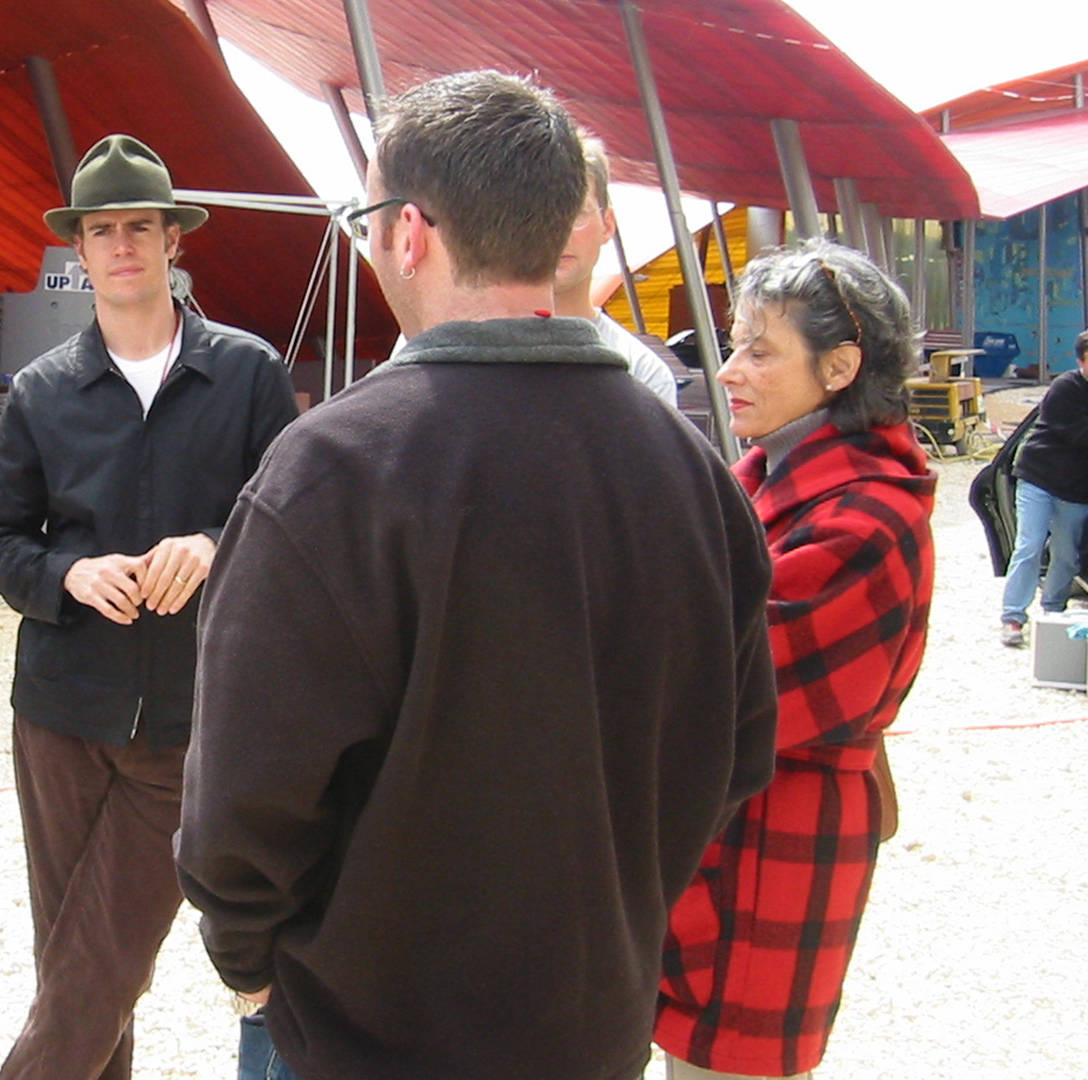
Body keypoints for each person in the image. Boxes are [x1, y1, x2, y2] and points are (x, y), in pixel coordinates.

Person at [174, 71, 779, 1080]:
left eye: (370, 220)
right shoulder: (691, 470)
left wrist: (249, 961)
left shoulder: (335, 469)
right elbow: (736, 752)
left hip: (371, 1036)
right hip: (593, 1023)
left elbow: (245, 793)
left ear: (409, 232)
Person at [0, 133, 301, 1080]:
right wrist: (67, 576)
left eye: (140, 228)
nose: (122, 246)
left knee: (98, 963)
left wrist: (214, 545)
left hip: (187, 719)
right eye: (104, 230)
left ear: (172, 242)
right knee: (78, 967)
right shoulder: (42, 390)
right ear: (80, 248)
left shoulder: (247, 374)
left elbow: (295, 526)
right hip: (59, 714)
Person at [656, 240, 937, 1079]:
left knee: (729, 1064)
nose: (729, 370)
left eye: (760, 350)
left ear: (840, 367)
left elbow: (727, 683)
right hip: (723, 823)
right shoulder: (767, 475)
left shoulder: (869, 518)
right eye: (733, 344)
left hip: (777, 834)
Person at [554, 135, 679, 405]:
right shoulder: (477, 349)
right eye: (542, 214)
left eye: (576, 212)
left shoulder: (643, 374)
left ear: (607, 224)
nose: (559, 231)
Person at [997, 328, 1088, 646]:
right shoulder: (1065, 388)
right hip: (1039, 478)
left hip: (1076, 490)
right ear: (1081, 361)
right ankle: (1013, 618)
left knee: (1066, 556)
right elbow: (1079, 434)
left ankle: (1053, 612)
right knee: (1030, 546)